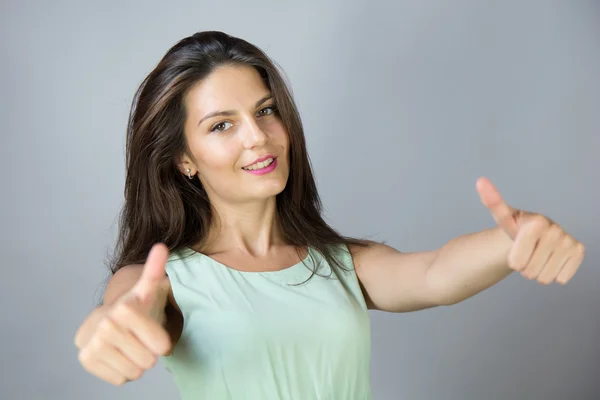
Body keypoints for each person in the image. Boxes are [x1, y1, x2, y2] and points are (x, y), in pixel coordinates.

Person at [73, 30, 585, 399]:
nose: (258, 136)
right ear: (184, 159)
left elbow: (433, 274)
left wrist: (516, 241)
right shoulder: (162, 280)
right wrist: (111, 326)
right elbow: (130, 309)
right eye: (221, 126)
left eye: (265, 110)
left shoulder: (338, 263)